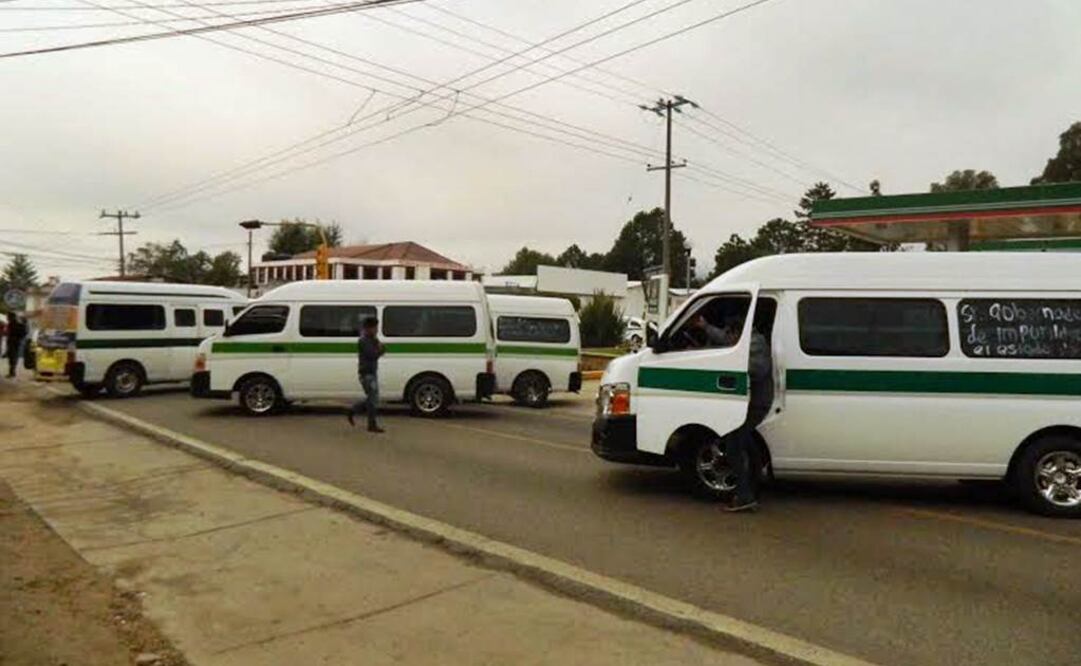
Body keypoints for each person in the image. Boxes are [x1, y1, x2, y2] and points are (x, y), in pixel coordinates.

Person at [725, 323, 773, 513]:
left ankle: (745, 496)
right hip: (752, 403)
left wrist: (731, 363)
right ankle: (753, 485)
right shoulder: (750, 340)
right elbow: (724, 339)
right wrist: (705, 327)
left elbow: (757, 369)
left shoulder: (756, 343)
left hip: (757, 403)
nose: (730, 340)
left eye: (731, 334)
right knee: (746, 442)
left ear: (739, 330)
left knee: (733, 444)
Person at [347, 315, 385, 433]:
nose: (376, 330)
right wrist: (380, 350)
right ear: (368, 328)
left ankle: (355, 411)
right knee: (373, 399)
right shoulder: (364, 340)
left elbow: (380, 349)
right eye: (374, 327)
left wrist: (380, 349)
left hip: (372, 372)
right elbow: (372, 354)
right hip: (366, 373)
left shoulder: (373, 339)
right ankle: (369, 423)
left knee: (373, 398)